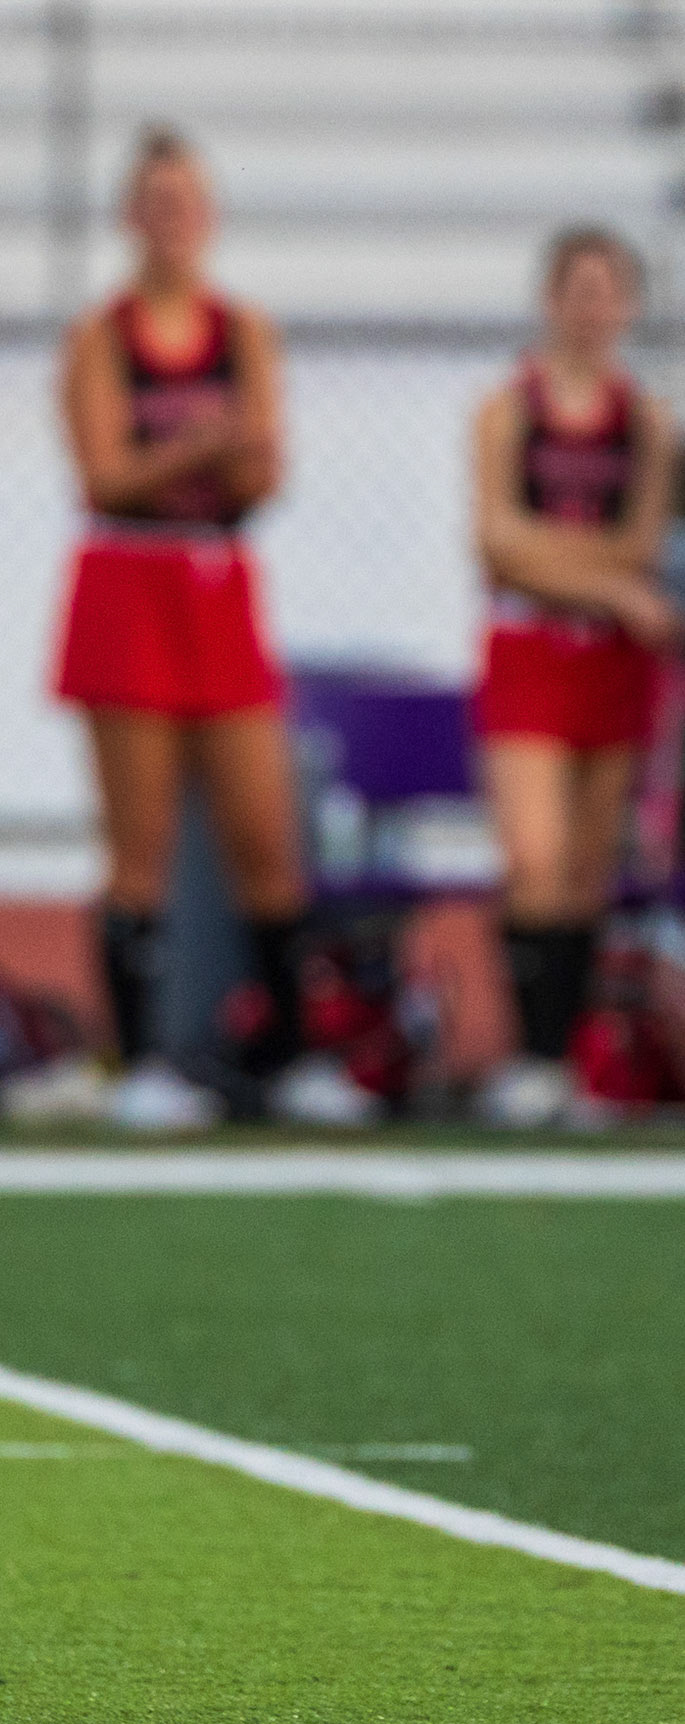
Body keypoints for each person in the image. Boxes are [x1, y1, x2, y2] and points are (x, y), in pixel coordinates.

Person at [3, 126, 374, 1131]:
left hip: (217, 585)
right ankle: (139, 1063)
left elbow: (262, 470)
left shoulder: (241, 330)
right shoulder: (101, 336)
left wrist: (184, 455)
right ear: (131, 217)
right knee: (140, 847)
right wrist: (203, 446)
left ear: (207, 217)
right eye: (156, 202)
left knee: (266, 839)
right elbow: (105, 477)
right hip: (129, 587)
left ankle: (291, 1057)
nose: (173, 220)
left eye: (187, 202)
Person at [472, 226, 678, 1127]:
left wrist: (552, 556)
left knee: (588, 870)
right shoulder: (506, 411)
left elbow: (639, 544)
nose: (592, 308)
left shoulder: (646, 423)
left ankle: (563, 1064)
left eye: (607, 292)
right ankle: (528, 1058)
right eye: (577, 290)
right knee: (534, 859)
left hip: (612, 662)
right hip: (528, 651)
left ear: (626, 306)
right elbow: (495, 545)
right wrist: (603, 580)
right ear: (550, 299)